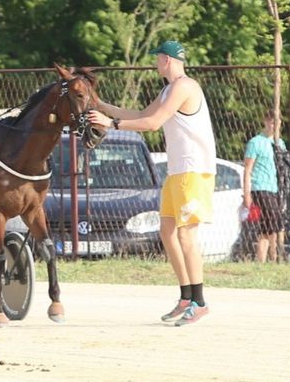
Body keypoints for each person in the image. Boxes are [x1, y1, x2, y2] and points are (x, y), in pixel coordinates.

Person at [88, 40, 216, 326]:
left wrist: (110, 125)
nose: (155, 63)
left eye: (158, 58)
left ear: (167, 60)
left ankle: (200, 301)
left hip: (193, 171)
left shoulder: (184, 87)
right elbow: (140, 115)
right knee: (167, 232)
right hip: (178, 171)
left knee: (185, 236)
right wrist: (102, 107)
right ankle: (186, 297)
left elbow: (153, 123)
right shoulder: (169, 89)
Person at [243, 108, 287, 263]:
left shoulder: (279, 143)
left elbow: (283, 169)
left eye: (277, 121)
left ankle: (260, 262)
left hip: (275, 188)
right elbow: (248, 170)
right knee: (274, 226)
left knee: (266, 228)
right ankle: (276, 259)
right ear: (265, 121)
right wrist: (247, 194)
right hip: (261, 188)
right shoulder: (255, 142)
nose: (273, 124)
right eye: (271, 121)